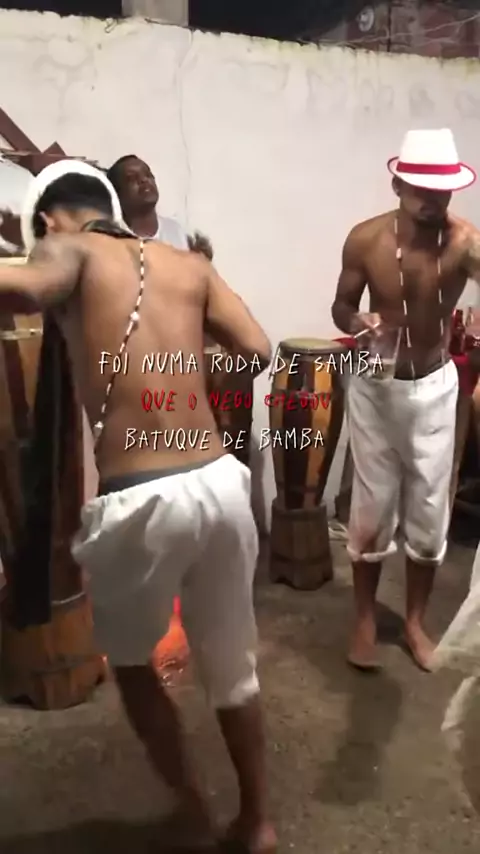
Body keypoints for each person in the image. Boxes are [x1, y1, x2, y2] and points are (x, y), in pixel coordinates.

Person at [0, 159, 276, 853]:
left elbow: (27, 288)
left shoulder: (69, 246)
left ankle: (193, 810)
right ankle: (258, 821)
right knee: (233, 669)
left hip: (142, 498)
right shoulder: (189, 265)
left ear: (51, 219)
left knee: (129, 663)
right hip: (219, 481)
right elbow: (256, 348)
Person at [331, 128, 480, 672]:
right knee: (371, 508)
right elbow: (340, 305)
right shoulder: (366, 239)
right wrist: (358, 320)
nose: (433, 200)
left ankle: (415, 622)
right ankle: (365, 619)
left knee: (429, 512)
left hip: (435, 387)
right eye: (422, 190)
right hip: (375, 386)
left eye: (442, 191)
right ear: (397, 185)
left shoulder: (464, 242)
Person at [106, 154, 189, 248]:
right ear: (117, 193)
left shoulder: (175, 231)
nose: (144, 180)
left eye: (148, 174)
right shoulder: (113, 241)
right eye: (132, 178)